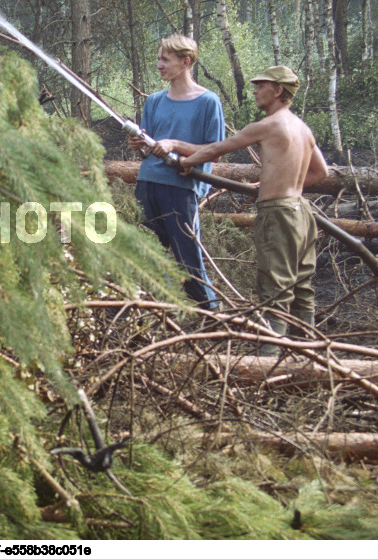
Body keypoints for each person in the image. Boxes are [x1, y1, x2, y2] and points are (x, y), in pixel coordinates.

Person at [151, 66, 329, 348]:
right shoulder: (303, 129)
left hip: (279, 214)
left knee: (275, 288)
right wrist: (281, 183)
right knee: (302, 287)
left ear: (278, 91)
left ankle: (270, 358)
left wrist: (185, 162)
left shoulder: (267, 125)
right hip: (302, 212)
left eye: (261, 86)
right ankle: (307, 353)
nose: (255, 91)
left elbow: (217, 149)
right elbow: (321, 173)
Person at [126, 35, 225, 310]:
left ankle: (215, 319)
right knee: (149, 258)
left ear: (185, 62)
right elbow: (146, 152)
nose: (159, 65)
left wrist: (175, 144)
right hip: (147, 184)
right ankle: (161, 316)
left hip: (182, 190)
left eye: (165, 60)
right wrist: (139, 145)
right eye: (158, 59)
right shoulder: (154, 101)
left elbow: (215, 151)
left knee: (188, 262)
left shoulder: (208, 102)